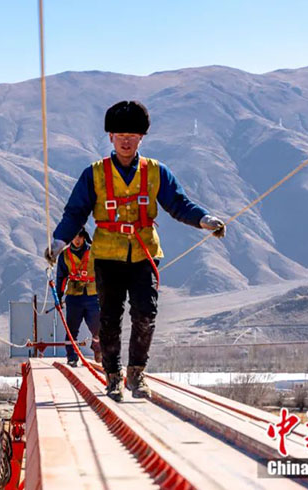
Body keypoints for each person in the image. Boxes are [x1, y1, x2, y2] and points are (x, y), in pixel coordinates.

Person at [45, 100, 225, 401]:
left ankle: (137, 374)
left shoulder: (156, 172)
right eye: (120, 134)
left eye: (132, 134)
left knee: (145, 314)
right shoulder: (95, 174)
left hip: (144, 253)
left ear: (141, 137)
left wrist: (204, 219)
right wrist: (59, 242)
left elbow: (178, 204)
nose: (126, 139)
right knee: (109, 318)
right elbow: (75, 213)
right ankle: (113, 377)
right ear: (111, 137)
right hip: (107, 256)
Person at [55, 227, 101, 367]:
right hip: (74, 296)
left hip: (93, 295)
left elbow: (103, 272)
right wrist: (59, 296)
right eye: (75, 237)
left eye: (80, 237)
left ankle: (98, 348)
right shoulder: (65, 255)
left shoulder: (95, 251)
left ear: (84, 237)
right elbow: (61, 278)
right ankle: (72, 356)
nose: (77, 240)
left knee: (98, 327)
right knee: (72, 328)